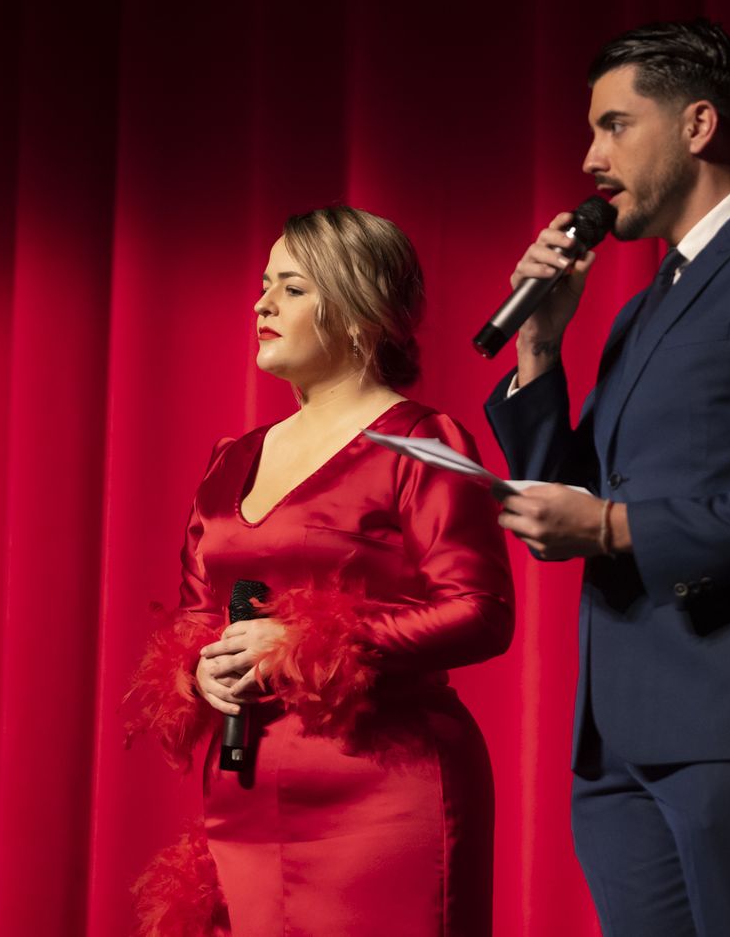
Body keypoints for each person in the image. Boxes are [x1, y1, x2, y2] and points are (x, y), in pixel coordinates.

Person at [484, 19, 730, 936]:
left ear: (699, 124)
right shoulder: (641, 309)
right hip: (620, 741)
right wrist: (539, 346)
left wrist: (615, 527)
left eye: (614, 125)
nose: (590, 158)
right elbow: (565, 501)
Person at [125, 206, 514, 937]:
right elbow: (197, 615)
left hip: (384, 790)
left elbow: (481, 611)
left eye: (293, 287)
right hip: (245, 789)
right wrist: (199, 668)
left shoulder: (424, 442)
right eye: (264, 284)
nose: (262, 304)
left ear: (362, 312)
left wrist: (303, 642)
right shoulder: (231, 457)